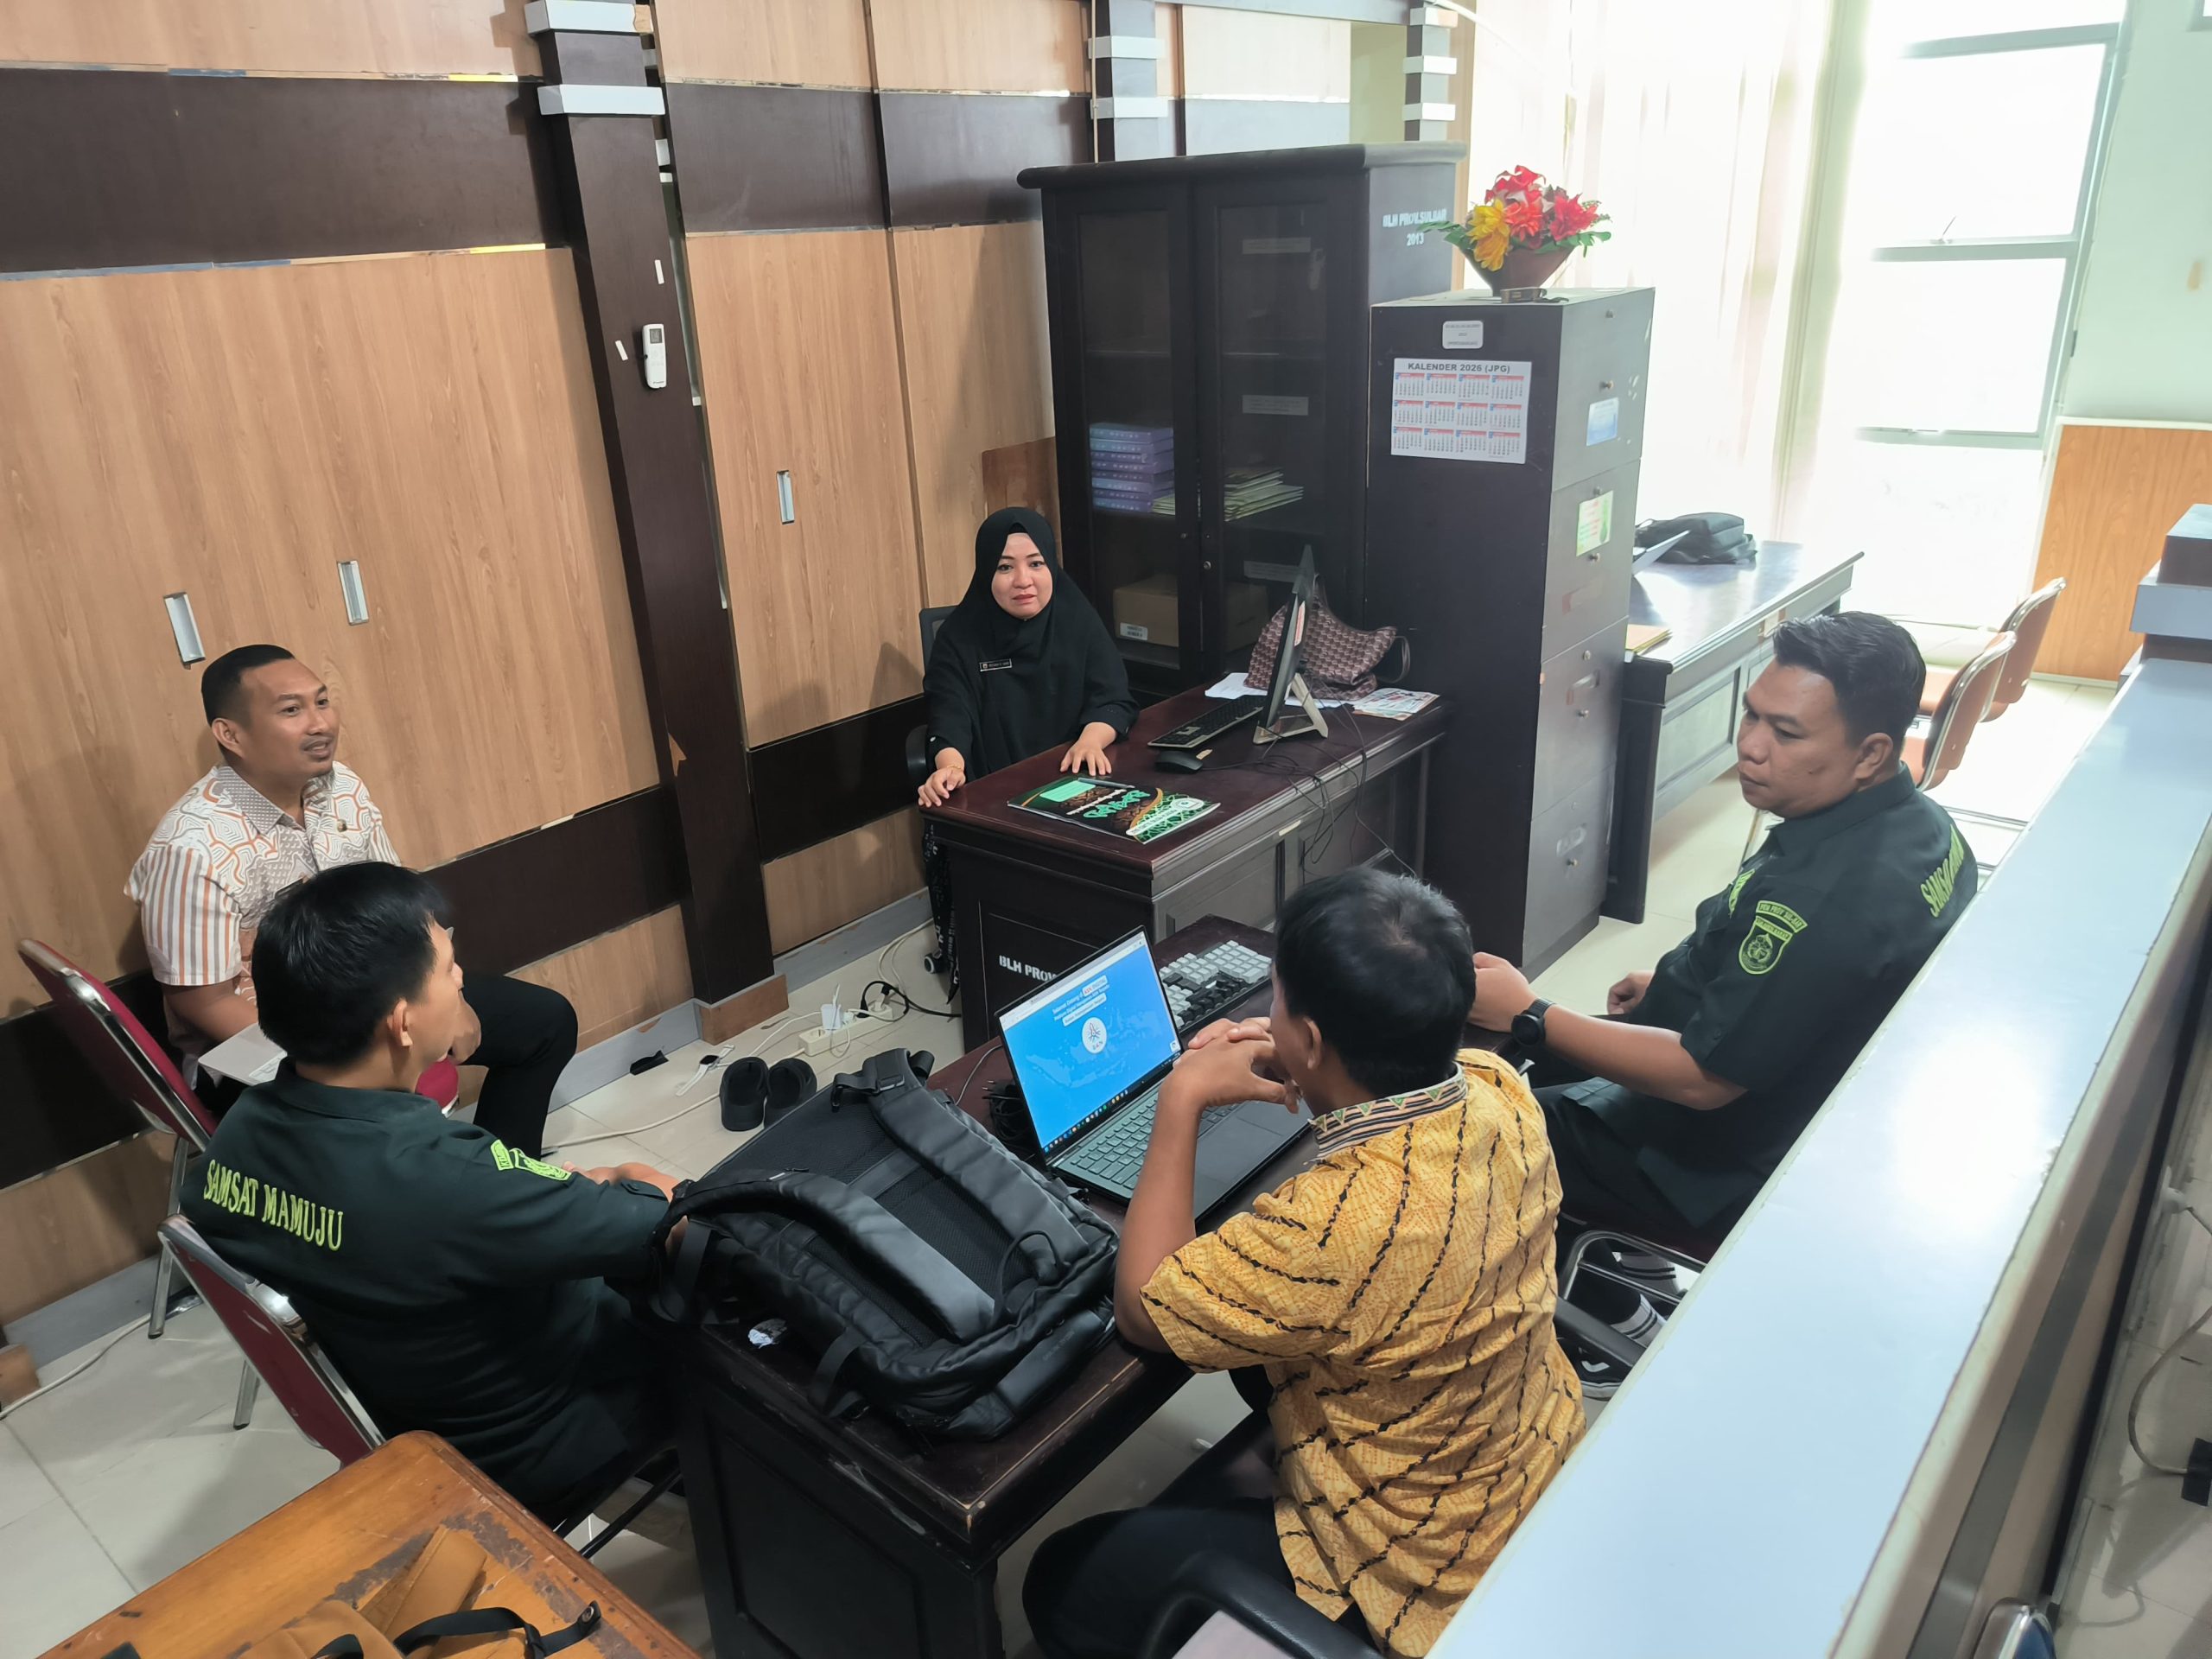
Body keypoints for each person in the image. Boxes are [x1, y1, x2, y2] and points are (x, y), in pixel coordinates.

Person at [1024, 869, 1584, 1659]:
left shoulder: (1331, 1230)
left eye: (1278, 1004)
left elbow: (1144, 1308)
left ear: (1314, 1040)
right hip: (1525, 1451)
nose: (1271, 1017)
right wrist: (1314, 1062)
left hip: (1427, 1565)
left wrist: (1182, 1098)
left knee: (1063, 1574)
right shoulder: (1500, 1092)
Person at [1469, 612, 1977, 1382]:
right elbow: (1797, 976)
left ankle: (1590, 1320)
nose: (1752, 746)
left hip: (1716, 1154)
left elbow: (1703, 1080)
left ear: (1872, 752)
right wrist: (1684, 984)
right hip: (1797, 1093)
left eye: (1787, 733)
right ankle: (1610, 1259)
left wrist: (1531, 1013)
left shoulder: (1829, 898)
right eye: (1751, 716)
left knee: (1473, 1129)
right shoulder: (1925, 828)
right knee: (1518, 1059)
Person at [181, 861, 680, 1522]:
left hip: (419, 1416)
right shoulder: (444, 1179)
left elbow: (224, 1210)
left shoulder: (238, 1140)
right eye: (447, 968)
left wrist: (545, 1198)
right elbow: (662, 1223)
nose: (462, 978)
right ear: (402, 1022)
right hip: (541, 1440)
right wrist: (634, 1179)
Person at [127, 644, 576, 1154]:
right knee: (389, 1119)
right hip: (271, 1040)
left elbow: (402, 911)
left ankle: (500, 1182)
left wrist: (452, 1001)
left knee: (545, 1022)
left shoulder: (342, 789)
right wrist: (348, 1063)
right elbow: (202, 1002)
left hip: (382, 999)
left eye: (322, 702)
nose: (320, 723)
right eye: (292, 710)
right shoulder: (191, 847)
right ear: (231, 734)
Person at [916, 508, 1137, 808]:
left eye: (1036, 563)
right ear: (986, 571)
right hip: (994, 796)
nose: (1023, 580)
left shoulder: (1077, 621)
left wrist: (1091, 741)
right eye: (1005, 567)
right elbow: (950, 715)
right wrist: (950, 768)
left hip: (1076, 781)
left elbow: (1113, 699)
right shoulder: (959, 637)